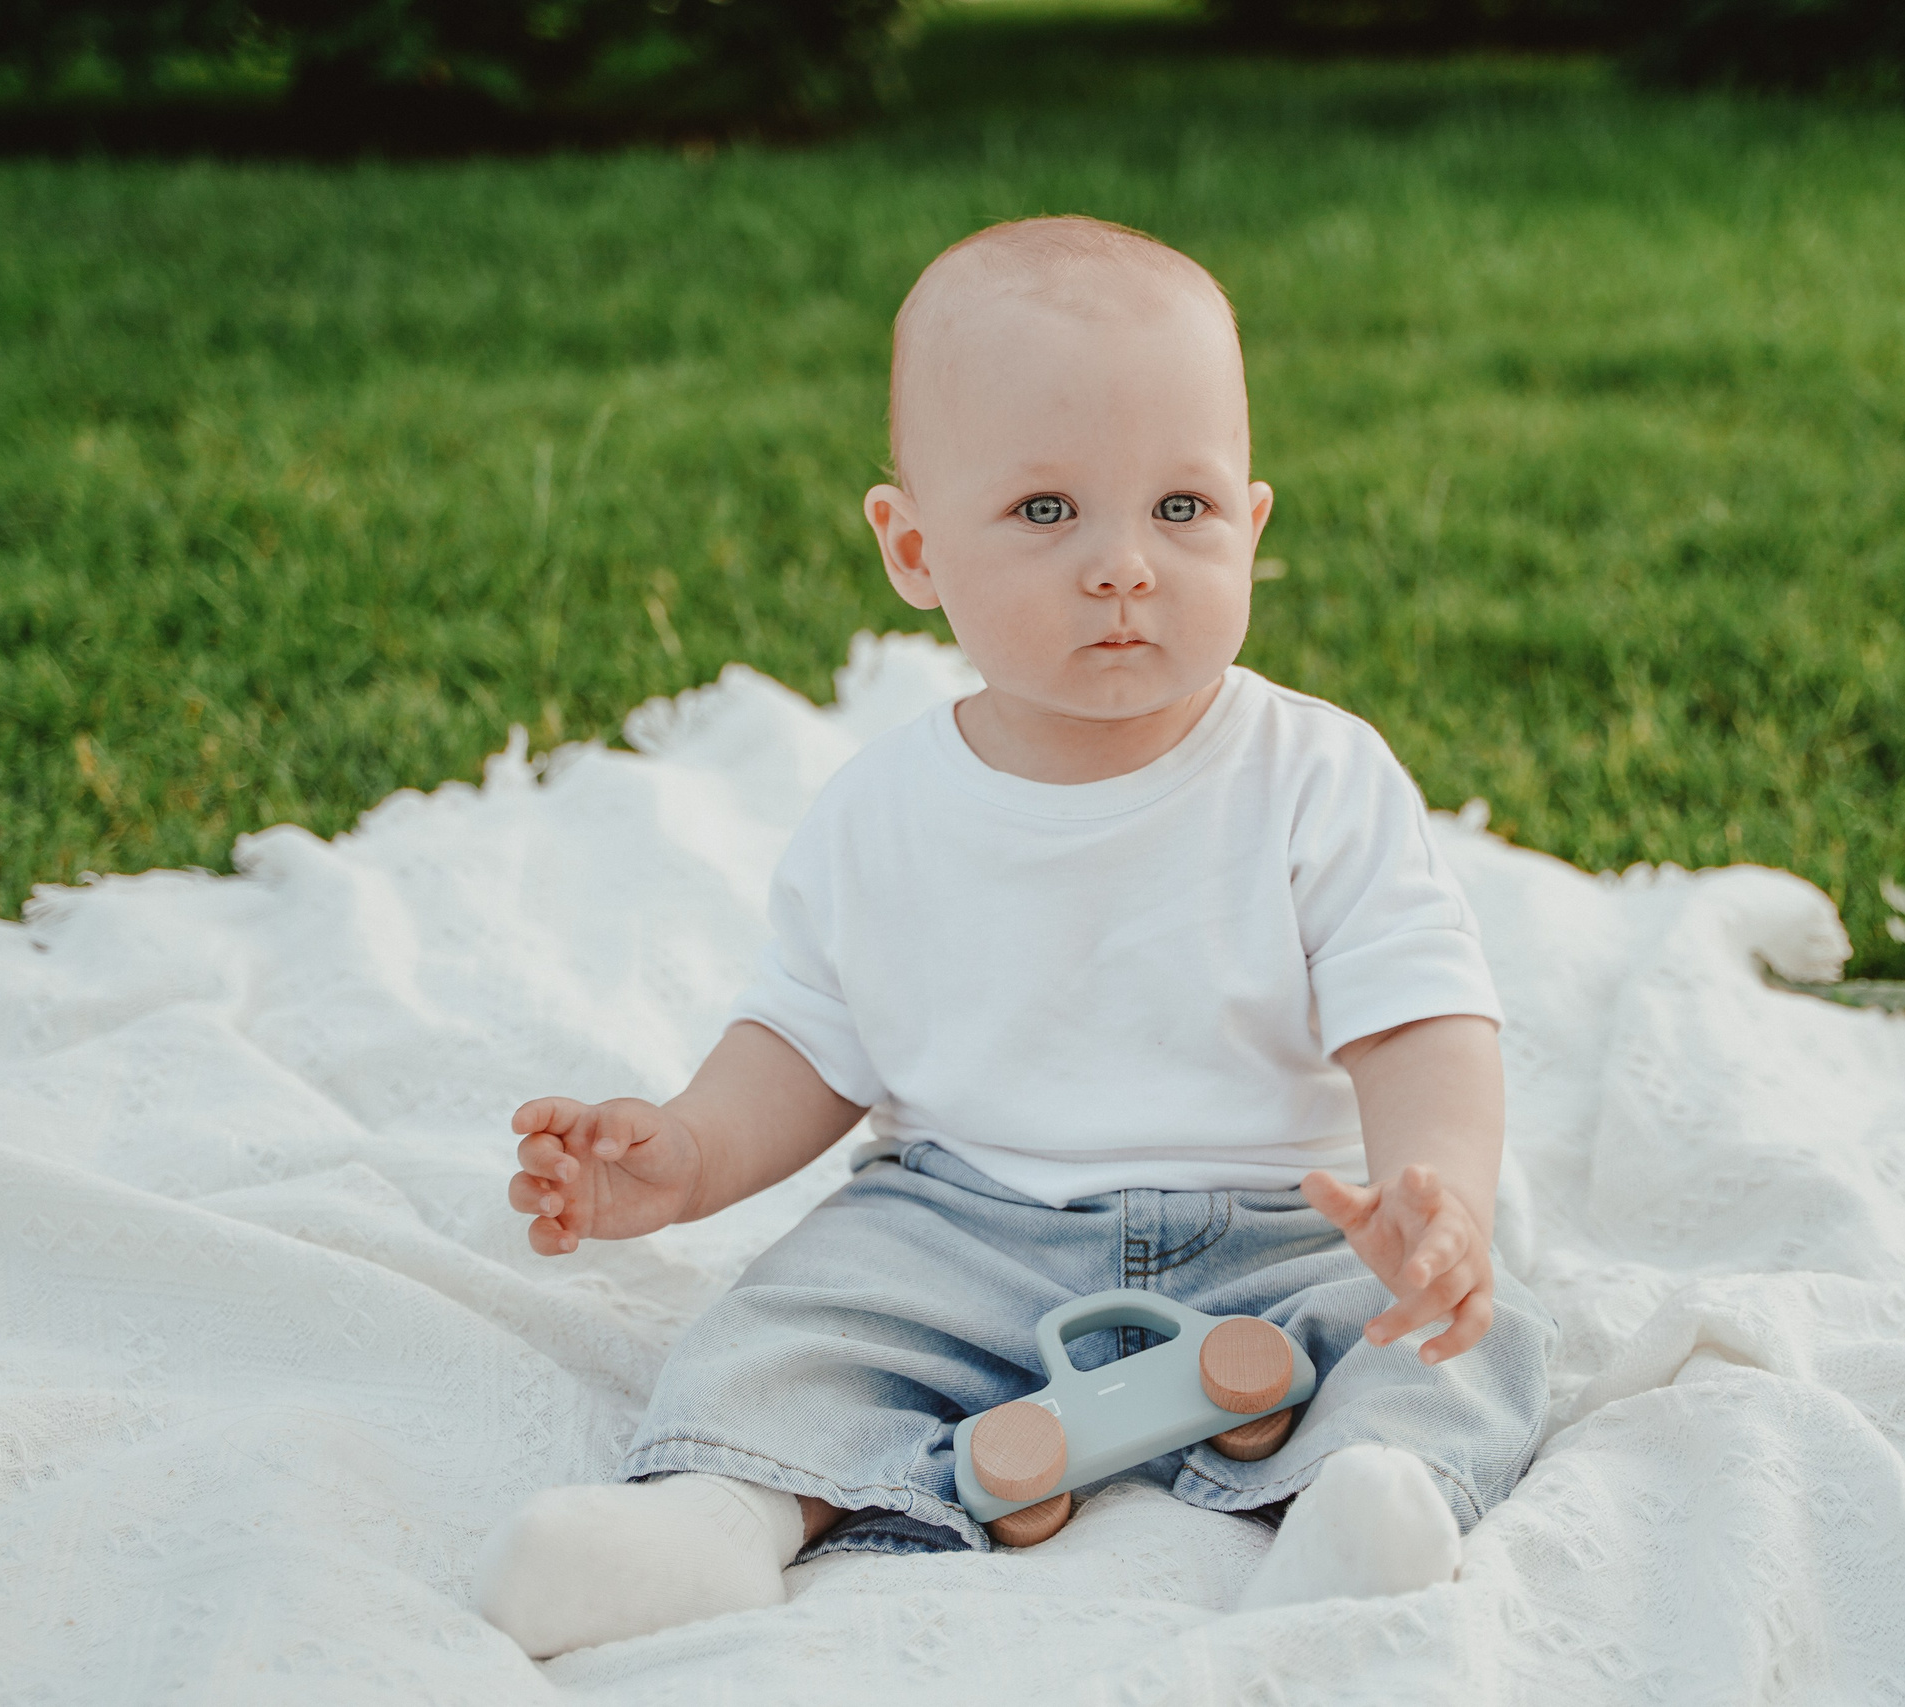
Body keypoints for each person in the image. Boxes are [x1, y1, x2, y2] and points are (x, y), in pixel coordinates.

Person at [471, 216, 1556, 1659]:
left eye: (1182, 509)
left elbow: (1418, 1014)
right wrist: (686, 1152)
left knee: (1459, 1339)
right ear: (913, 548)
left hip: (1285, 1220)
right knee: (792, 1321)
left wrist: (1439, 1196)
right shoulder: (883, 813)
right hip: (961, 1218)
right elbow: (809, 1036)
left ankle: (1369, 1502)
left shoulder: (1317, 777)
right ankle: (721, 1516)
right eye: (1049, 512)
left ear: (1254, 524)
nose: (1125, 566)